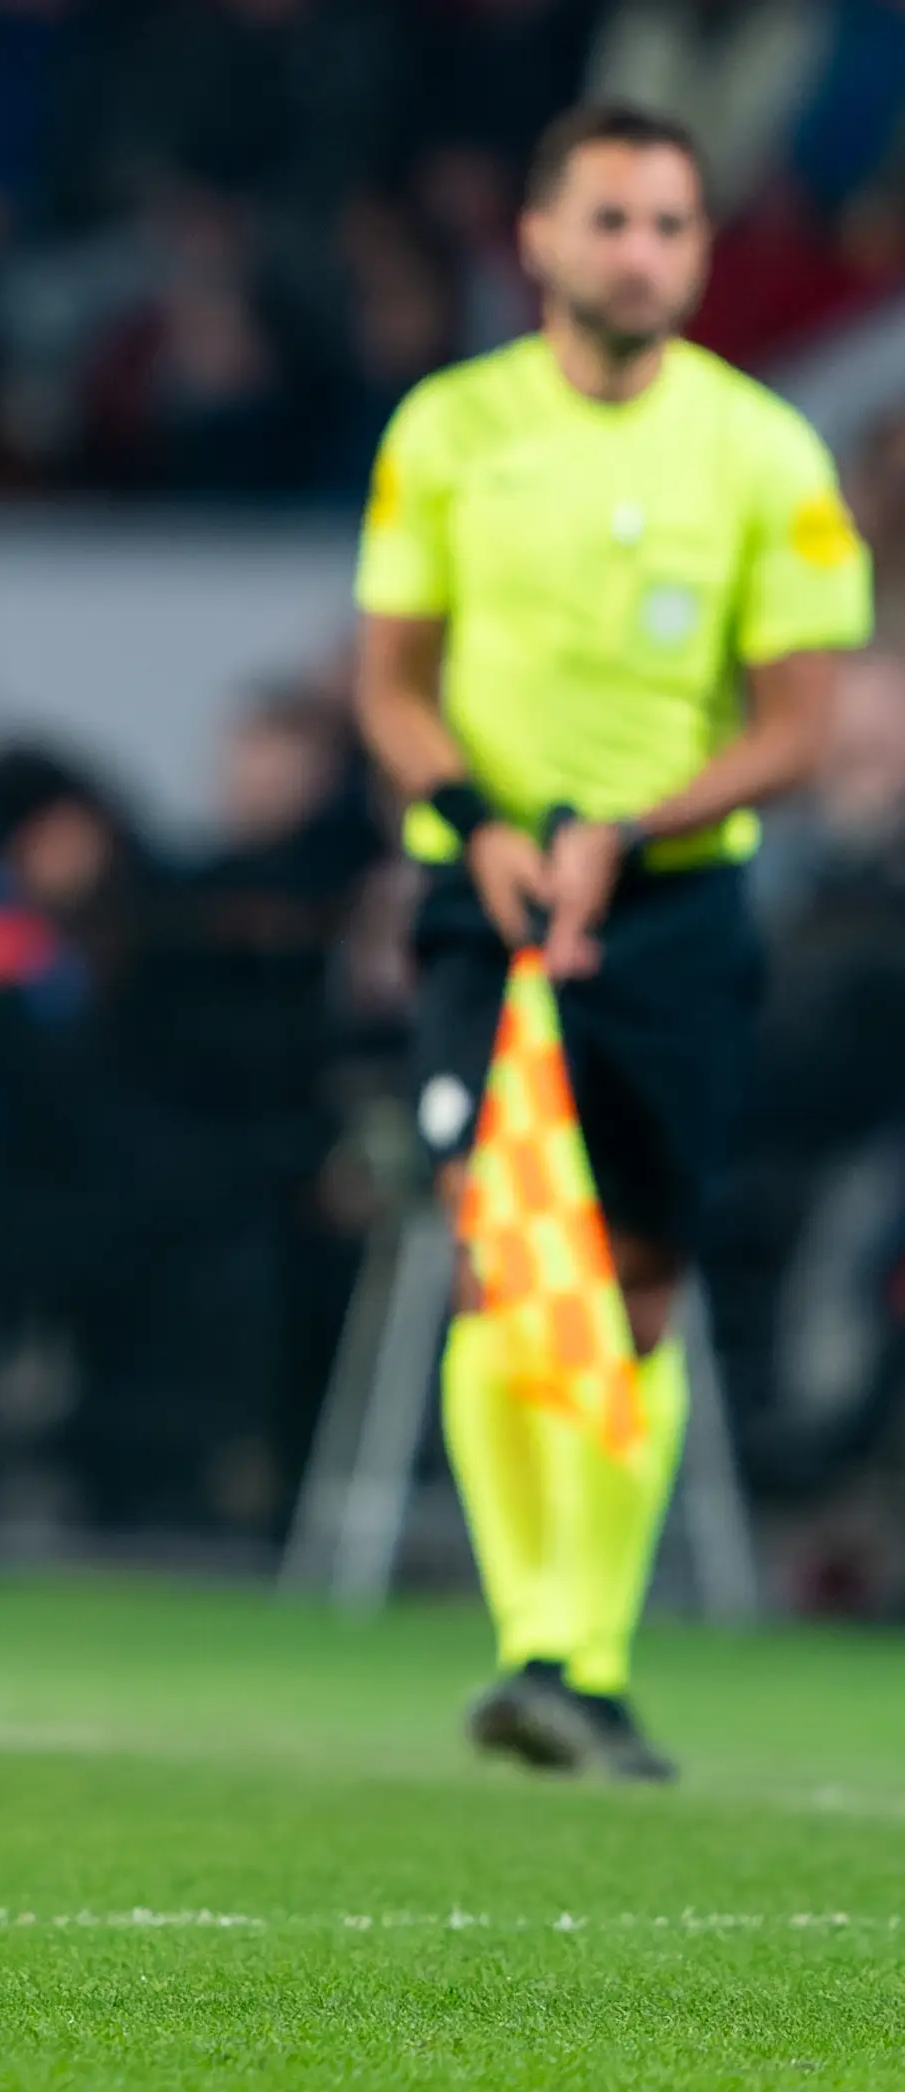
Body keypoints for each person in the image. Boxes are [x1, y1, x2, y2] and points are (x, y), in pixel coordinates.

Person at [354, 102, 871, 1780]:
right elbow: (388, 681)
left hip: (667, 899)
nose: (638, 251)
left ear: (696, 251)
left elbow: (798, 724)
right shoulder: (445, 429)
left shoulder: (762, 452)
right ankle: (539, 1648)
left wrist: (626, 830)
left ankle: (579, 1649)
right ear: (536, 237)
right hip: (483, 879)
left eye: (666, 224)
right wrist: (486, 824)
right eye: (609, 219)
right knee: (501, 1246)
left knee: (636, 1278)